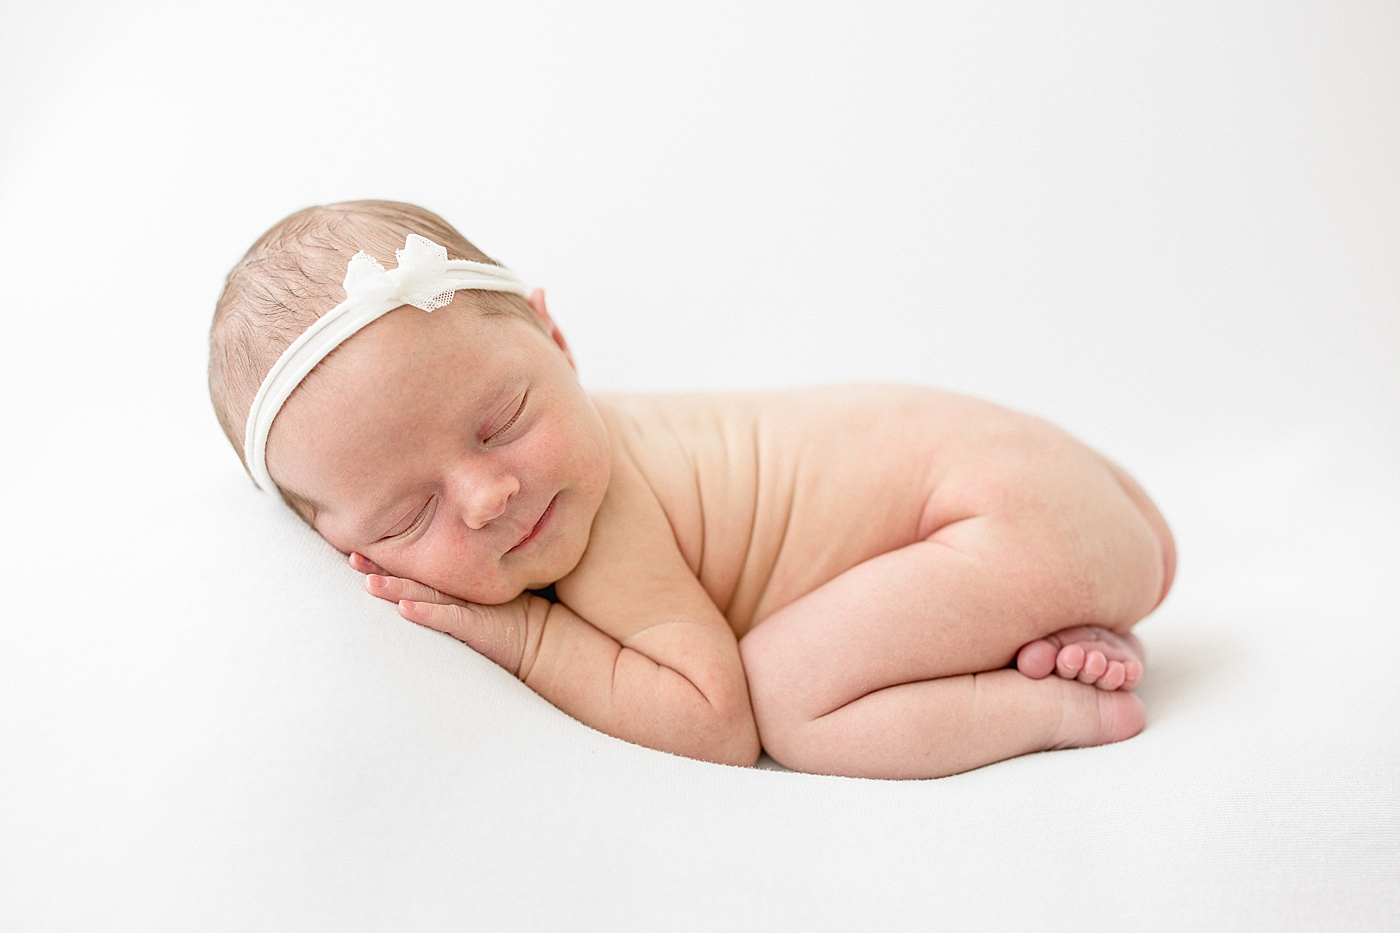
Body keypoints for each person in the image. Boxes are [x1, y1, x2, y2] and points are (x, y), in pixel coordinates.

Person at [209, 200, 1175, 779]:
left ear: (558, 343)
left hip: (1001, 511)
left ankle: (1056, 709)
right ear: (351, 553)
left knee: (789, 697)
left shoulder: (602, 518)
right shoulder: (556, 463)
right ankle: (1036, 619)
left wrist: (527, 634)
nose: (490, 494)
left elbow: (714, 722)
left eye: (504, 420)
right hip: (1052, 499)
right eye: (411, 514)